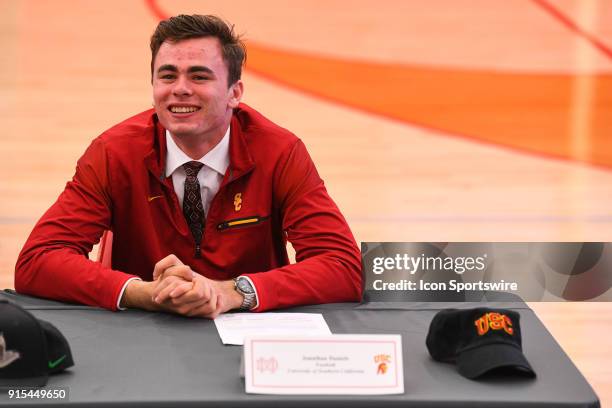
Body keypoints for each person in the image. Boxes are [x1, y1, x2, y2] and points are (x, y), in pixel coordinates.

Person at [14, 15, 362, 318]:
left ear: (235, 93)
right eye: (167, 76)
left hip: (250, 330)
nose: (179, 90)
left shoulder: (280, 152)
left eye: (199, 76)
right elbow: (38, 261)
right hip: (140, 328)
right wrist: (146, 293)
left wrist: (231, 293)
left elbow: (343, 267)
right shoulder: (113, 153)